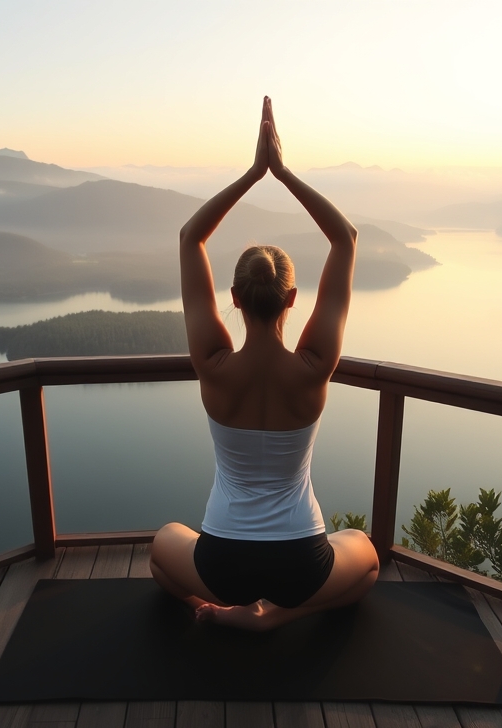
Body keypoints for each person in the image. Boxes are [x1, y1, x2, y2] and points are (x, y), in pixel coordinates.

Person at [149, 96, 380, 631]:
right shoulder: (314, 365)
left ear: (234, 296)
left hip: (222, 560)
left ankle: (215, 608)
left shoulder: (212, 364)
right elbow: (345, 239)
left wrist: (253, 174)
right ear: (292, 299)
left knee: (162, 549)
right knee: (365, 559)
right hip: (301, 562)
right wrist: (283, 172)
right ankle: (271, 618)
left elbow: (190, 238)